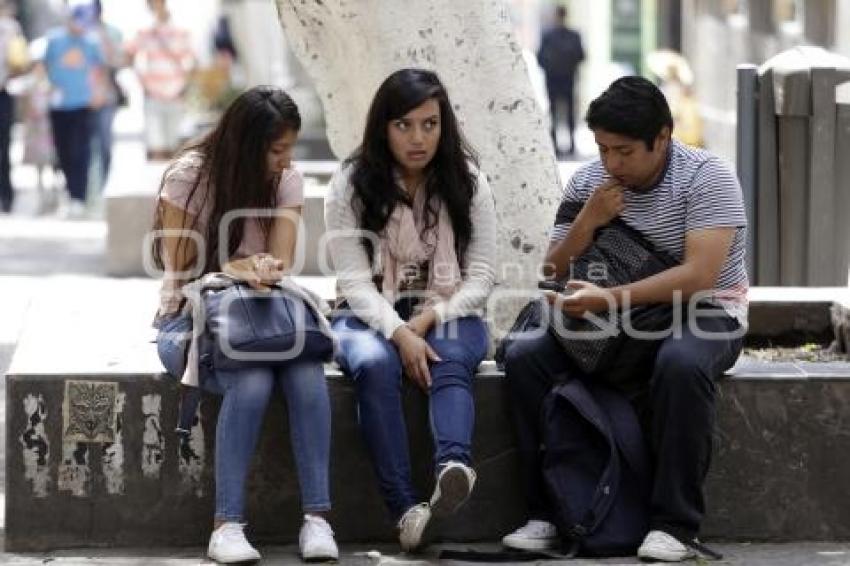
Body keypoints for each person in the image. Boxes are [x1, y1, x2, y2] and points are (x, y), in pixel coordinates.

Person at [501, 76, 748, 561]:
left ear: (663, 137)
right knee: (527, 356)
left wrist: (609, 299)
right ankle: (547, 512)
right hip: (610, 322)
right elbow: (551, 270)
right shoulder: (591, 182)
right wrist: (587, 221)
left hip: (703, 312)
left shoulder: (708, 177)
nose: (612, 163)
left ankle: (674, 525)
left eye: (625, 151)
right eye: (602, 149)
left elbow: (700, 276)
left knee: (680, 364)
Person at [151, 86, 339, 564]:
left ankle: (318, 519)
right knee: (252, 380)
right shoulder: (188, 177)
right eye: (277, 150)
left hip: (264, 313)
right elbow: (182, 269)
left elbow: (279, 260)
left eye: (290, 149)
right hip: (189, 320)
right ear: (244, 143)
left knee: (304, 369)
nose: (285, 161)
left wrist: (266, 270)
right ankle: (226, 525)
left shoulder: (286, 180)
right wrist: (234, 269)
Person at [325, 68, 496, 551]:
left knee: (449, 357)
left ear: (445, 126)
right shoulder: (350, 183)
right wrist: (400, 332)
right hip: (366, 312)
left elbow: (481, 277)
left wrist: (427, 319)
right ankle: (405, 510)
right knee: (375, 365)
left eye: (430, 124)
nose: (418, 138)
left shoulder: (469, 182)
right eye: (403, 125)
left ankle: (451, 471)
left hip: (446, 307)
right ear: (382, 127)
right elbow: (356, 283)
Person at [42, 3, 105, 218]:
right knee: (63, 152)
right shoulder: (53, 40)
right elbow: (44, 67)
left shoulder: (91, 41)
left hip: (83, 103)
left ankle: (79, 196)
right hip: (58, 104)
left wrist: (98, 92)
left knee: (81, 151)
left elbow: (99, 68)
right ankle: (70, 193)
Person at [128, 0, 195, 161]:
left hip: (175, 92)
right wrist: (142, 81)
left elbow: (191, 60)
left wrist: (184, 85)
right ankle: (159, 185)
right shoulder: (145, 31)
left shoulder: (182, 30)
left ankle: (172, 185)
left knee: (175, 148)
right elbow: (129, 54)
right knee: (157, 148)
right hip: (153, 94)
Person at [537, 5, 584, 158]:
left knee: (565, 113)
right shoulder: (551, 36)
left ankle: (568, 145)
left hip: (564, 79)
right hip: (557, 79)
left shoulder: (570, 35)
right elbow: (541, 58)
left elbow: (581, 56)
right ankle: (558, 146)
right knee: (556, 113)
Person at [88, 0, 125, 191]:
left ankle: (104, 187)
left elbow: (119, 61)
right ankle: (88, 191)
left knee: (104, 142)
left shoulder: (112, 33)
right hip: (82, 98)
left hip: (106, 95)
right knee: (86, 144)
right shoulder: (80, 32)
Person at [0, 0, 28, 213]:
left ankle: (6, 196)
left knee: (3, 148)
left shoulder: (9, 27)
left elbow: (19, 63)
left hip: (3, 93)